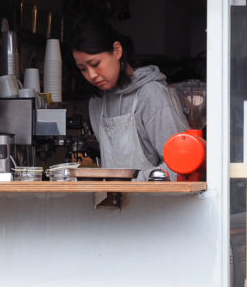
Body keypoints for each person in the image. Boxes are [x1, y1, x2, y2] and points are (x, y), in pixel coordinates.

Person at [69, 17, 188, 181]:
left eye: (95, 64)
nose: (92, 75)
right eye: (83, 69)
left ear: (117, 51)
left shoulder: (151, 95)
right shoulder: (97, 103)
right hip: (115, 204)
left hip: (157, 203)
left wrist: (131, 182)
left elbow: (182, 166)